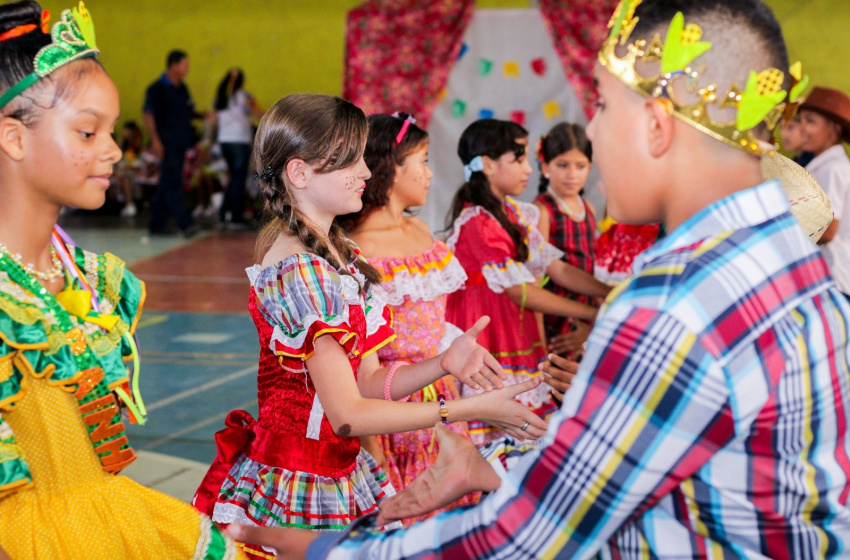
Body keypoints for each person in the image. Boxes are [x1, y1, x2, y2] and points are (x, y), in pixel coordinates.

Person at [227, 1, 850, 557]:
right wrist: (486, 469)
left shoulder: (673, 307)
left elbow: (527, 533)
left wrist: (327, 551)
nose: (594, 131)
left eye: (603, 105)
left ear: (658, 126)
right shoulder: (797, 277)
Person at [191, 94, 548, 559]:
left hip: (335, 469)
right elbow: (348, 415)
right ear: (299, 174)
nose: (365, 171)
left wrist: (443, 363)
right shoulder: (302, 270)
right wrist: (463, 410)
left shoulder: (335, 255)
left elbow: (369, 380)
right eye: (350, 161)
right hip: (301, 476)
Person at [0, 2, 244, 558]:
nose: (112, 150)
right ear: (13, 138)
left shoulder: (87, 277)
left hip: (112, 521)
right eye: (88, 132)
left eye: (110, 129)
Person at [336, 113, 480, 524]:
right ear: (391, 168)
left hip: (440, 398)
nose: (431, 174)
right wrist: (373, 451)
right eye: (423, 161)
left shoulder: (421, 233)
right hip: (391, 410)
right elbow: (356, 369)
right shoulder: (359, 248)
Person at [444, 118, 611, 445]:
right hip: (490, 340)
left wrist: (612, 292)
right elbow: (521, 292)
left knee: (525, 427)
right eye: (518, 159)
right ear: (489, 165)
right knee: (497, 433)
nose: (528, 169)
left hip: (515, 333)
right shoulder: (478, 220)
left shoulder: (514, 214)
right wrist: (591, 313)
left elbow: (557, 268)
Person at [533, 122, 598, 358]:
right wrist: (538, 344)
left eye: (580, 166)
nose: (572, 174)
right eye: (562, 165)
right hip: (557, 322)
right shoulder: (542, 210)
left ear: (589, 168)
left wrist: (593, 322)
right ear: (545, 166)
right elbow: (535, 283)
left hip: (588, 318)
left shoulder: (588, 208)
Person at [799, 86, 850, 303]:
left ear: (834, 128)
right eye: (800, 120)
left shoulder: (833, 168)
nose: (802, 129)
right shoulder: (825, 165)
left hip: (832, 280)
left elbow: (827, 230)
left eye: (810, 121)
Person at [143, 49, 201, 236]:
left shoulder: (182, 89)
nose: (188, 69)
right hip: (166, 144)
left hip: (180, 144)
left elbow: (188, 111)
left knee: (166, 184)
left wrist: (204, 115)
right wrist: (155, 141)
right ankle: (186, 224)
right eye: (185, 64)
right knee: (173, 184)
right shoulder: (157, 89)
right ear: (174, 65)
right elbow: (148, 114)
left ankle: (156, 225)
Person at [214, 67, 264, 227]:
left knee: (234, 178)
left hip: (224, 141)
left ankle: (223, 212)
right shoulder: (244, 97)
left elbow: (214, 120)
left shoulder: (220, 98)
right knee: (238, 178)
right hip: (239, 141)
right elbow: (257, 112)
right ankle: (235, 215)